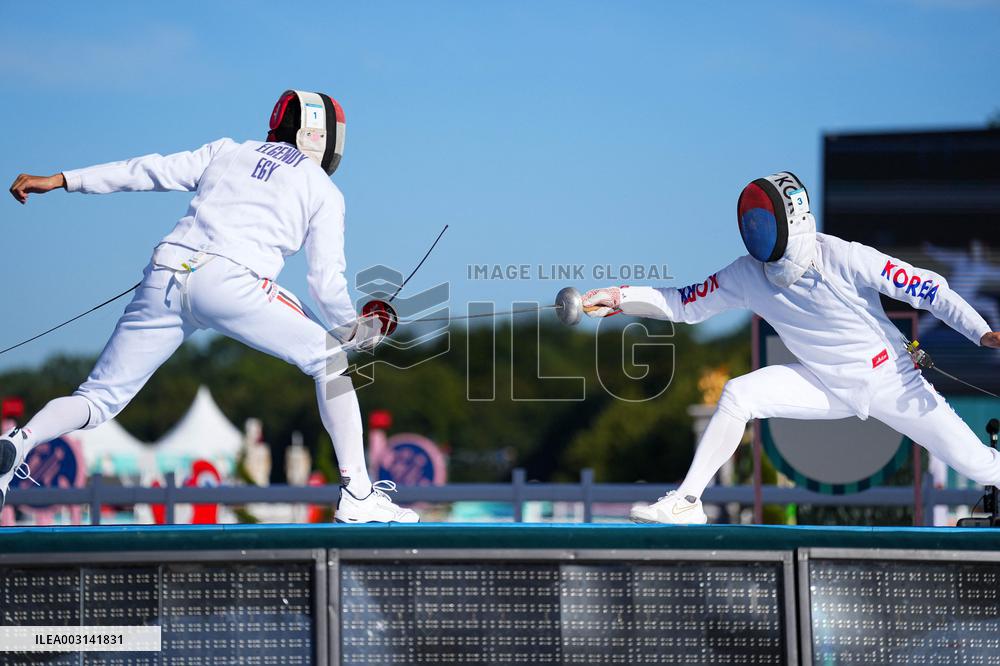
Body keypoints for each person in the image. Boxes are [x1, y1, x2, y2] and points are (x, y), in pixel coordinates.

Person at [3, 89, 417, 524]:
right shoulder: (324, 190)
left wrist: (61, 179)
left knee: (98, 399)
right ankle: (357, 492)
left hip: (165, 272)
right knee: (329, 358)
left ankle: (21, 442)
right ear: (320, 136)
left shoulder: (228, 151)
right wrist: (353, 330)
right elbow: (323, 283)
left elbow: (145, 170)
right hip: (230, 282)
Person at [582, 171, 1000, 524]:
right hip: (822, 381)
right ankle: (688, 501)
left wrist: (981, 332)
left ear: (791, 219)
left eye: (762, 221)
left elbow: (928, 288)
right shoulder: (748, 273)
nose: (754, 231)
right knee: (738, 395)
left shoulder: (843, 257)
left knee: (978, 464)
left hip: (889, 378)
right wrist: (620, 297)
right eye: (751, 222)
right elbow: (681, 304)